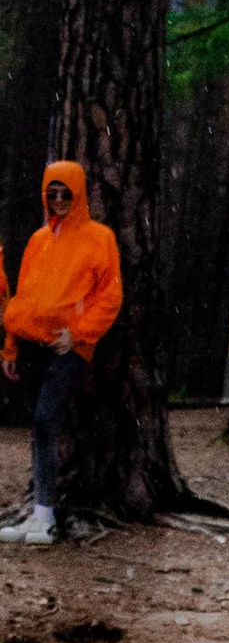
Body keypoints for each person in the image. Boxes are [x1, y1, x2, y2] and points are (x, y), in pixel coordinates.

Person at [1, 161, 122, 546]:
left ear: (79, 193)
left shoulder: (99, 237)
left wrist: (79, 334)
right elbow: (26, 297)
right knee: (39, 428)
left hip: (69, 347)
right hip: (34, 345)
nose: (58, 200)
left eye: (65, 192)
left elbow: (110, 296)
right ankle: (37, 515)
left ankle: (46, 518)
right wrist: (11, 344)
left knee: (45, 420)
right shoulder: (40, 240)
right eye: (51, 192)